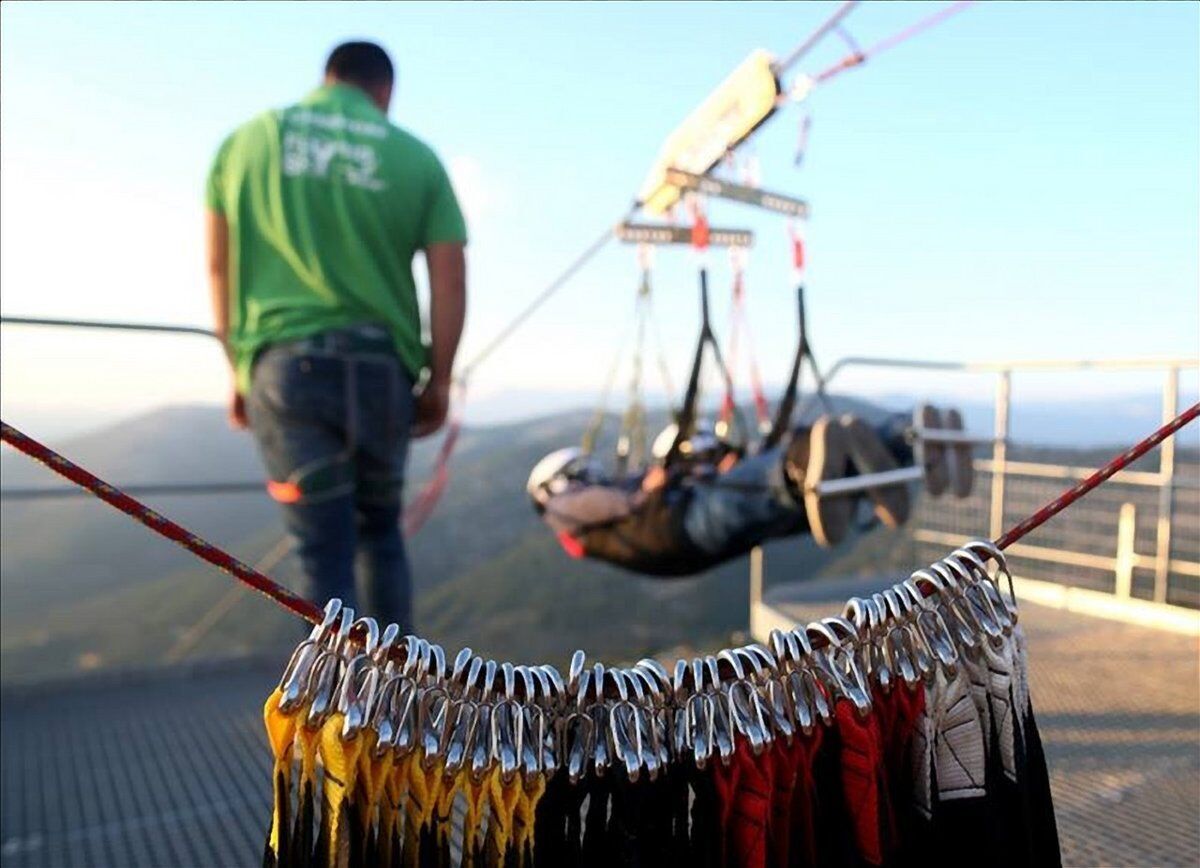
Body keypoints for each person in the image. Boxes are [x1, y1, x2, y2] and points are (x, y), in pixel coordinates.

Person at [205, 41, 467, 631]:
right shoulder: (416, 157)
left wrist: (239, 368)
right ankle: (401, 687)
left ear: (328, 78)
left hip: (284, 370)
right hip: (382, 371)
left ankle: (329, 692)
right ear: (385, 92)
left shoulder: (247, 141)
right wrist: (440, 380)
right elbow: (449, 277)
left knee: (321, 556)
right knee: (381, 535)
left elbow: (220, 267)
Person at [528, 409, 968, 577]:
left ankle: (910, 454)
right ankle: (906, 436)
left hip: (689, 540)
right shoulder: (563, 512)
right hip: (683, 527)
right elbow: (612, 502)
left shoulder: (592, 526)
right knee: (767, 481)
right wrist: (648, 491)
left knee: (784, 494)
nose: (592, 476)